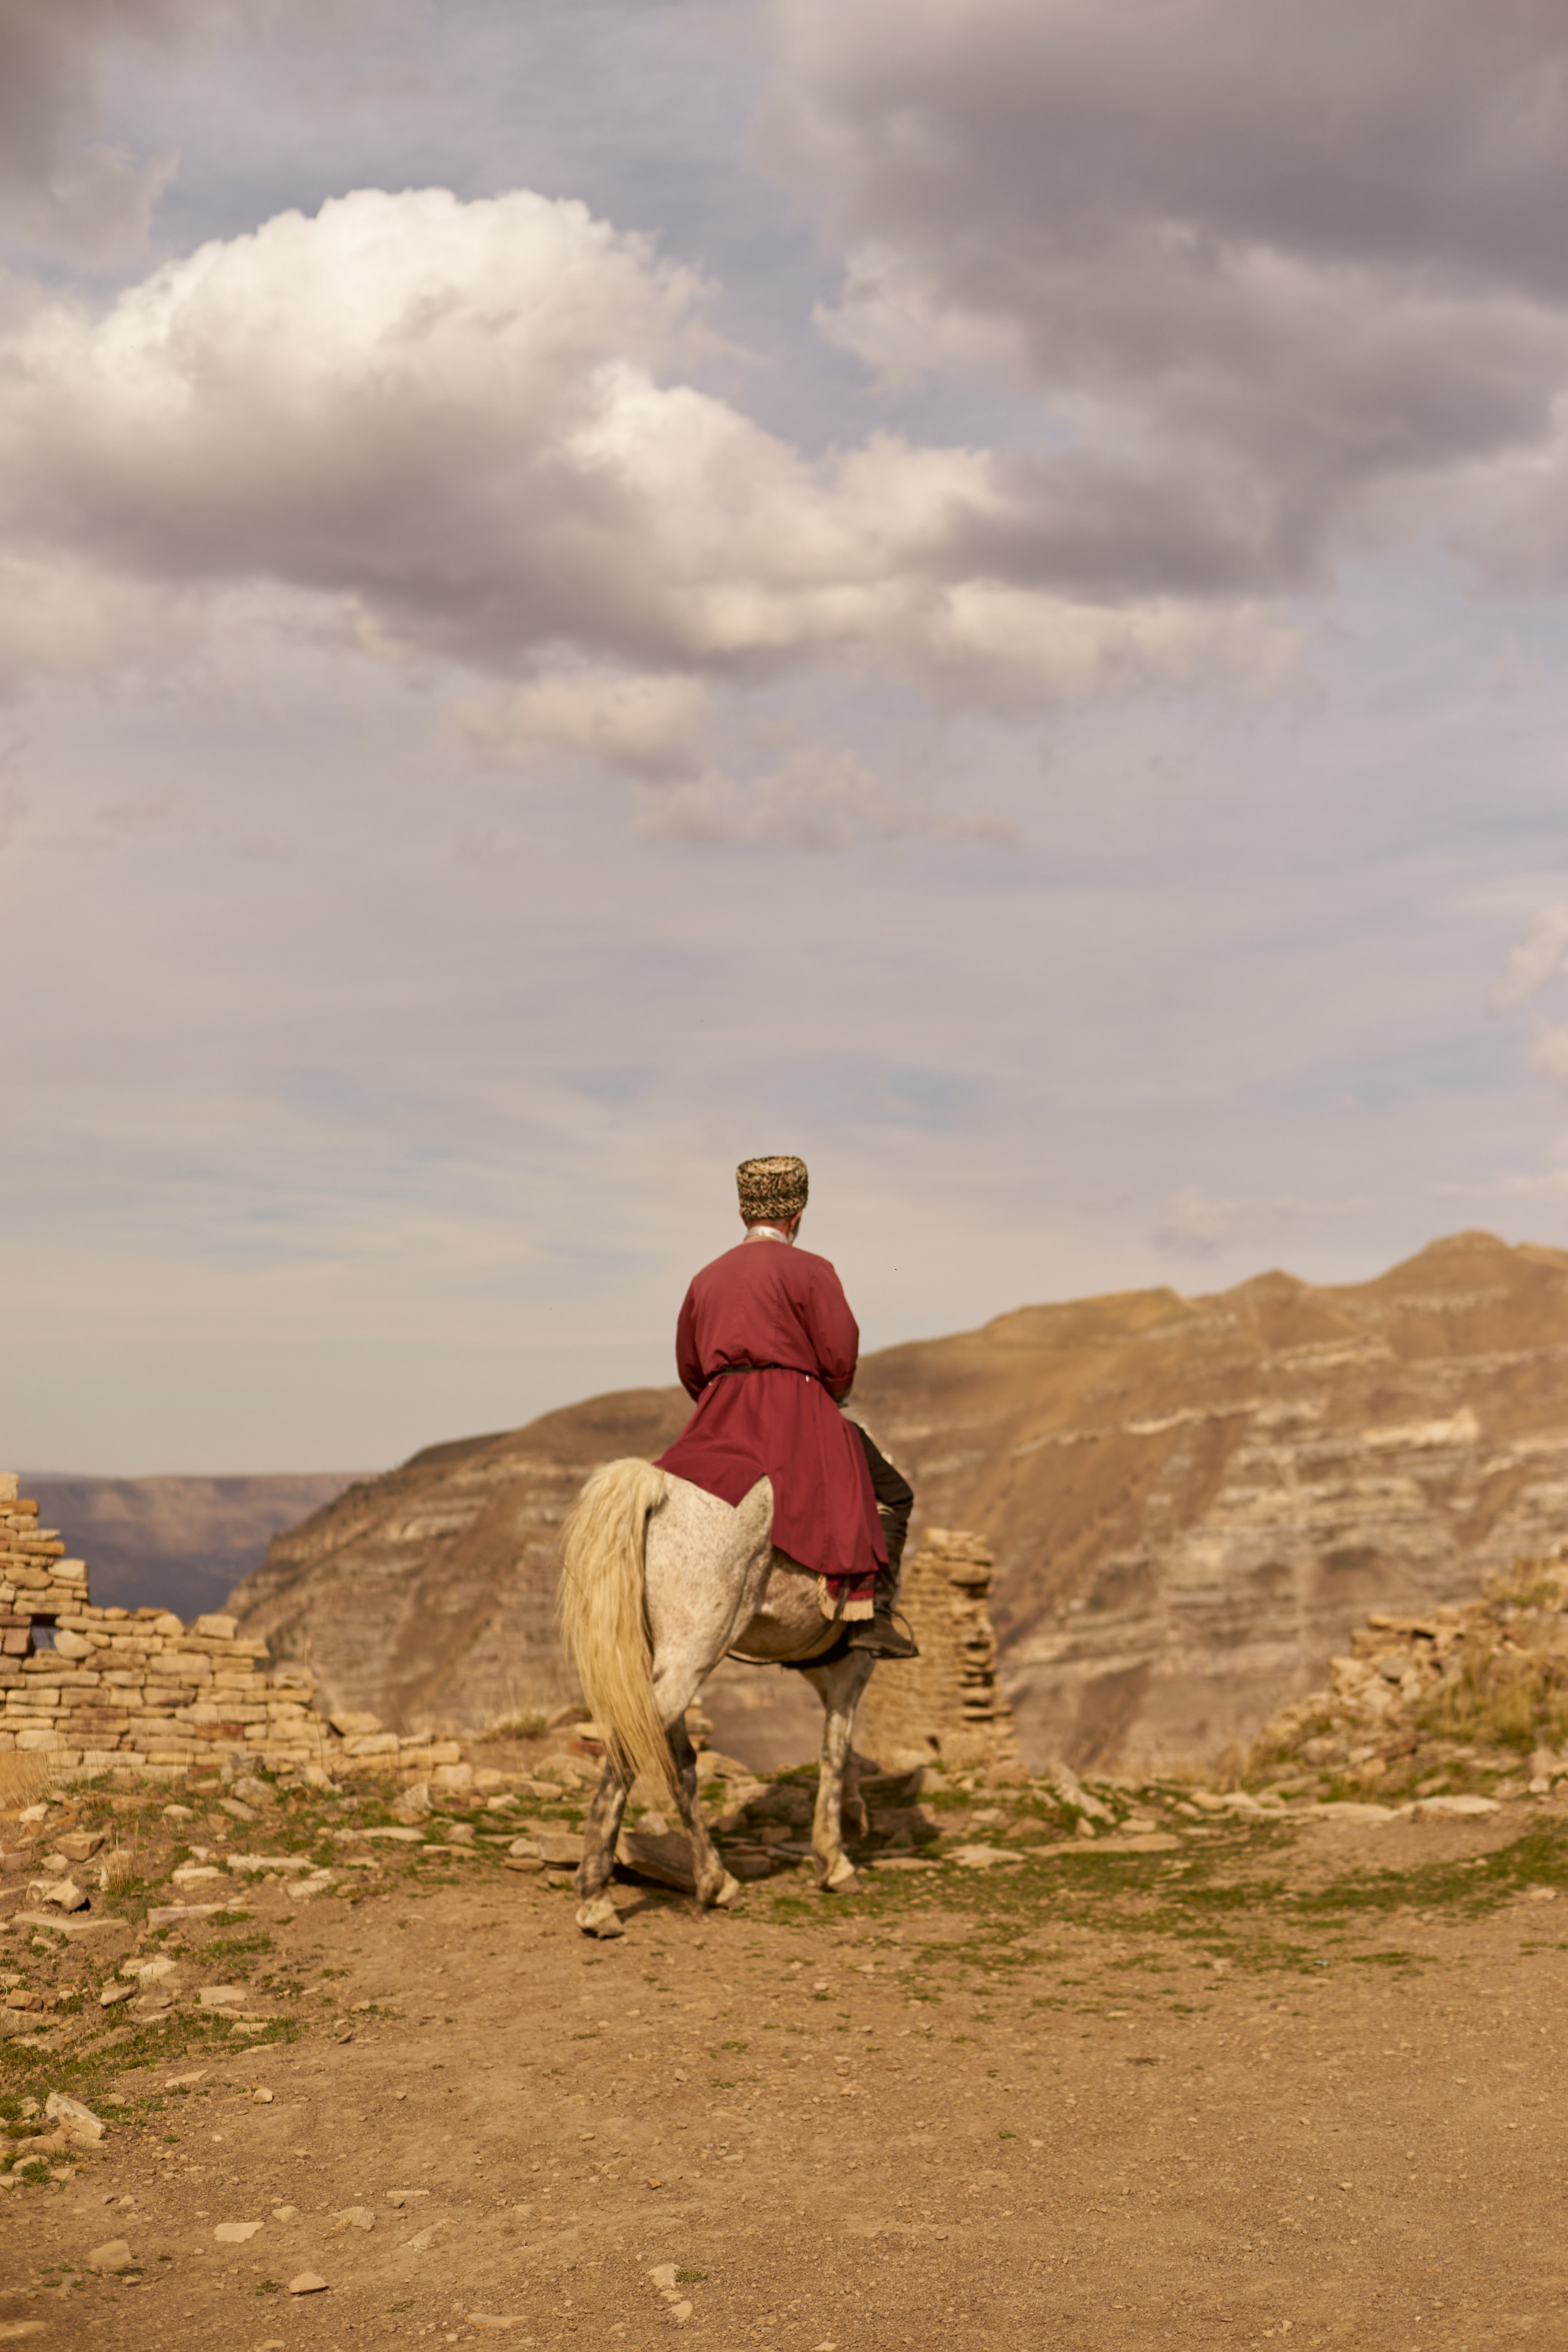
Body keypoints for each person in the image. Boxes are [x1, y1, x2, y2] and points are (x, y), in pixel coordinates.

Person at [654, 1155, 918, 1659]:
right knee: (894, 1493)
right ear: (797, 1214)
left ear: (741, 1212)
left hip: (718, 1416)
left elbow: (690, 1366)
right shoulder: (813, 1271)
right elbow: (840, 1356)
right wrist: (826, 1394)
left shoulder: (704, 1279)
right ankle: (872, 1618)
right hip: (798, 1410)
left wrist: (724, 1398)